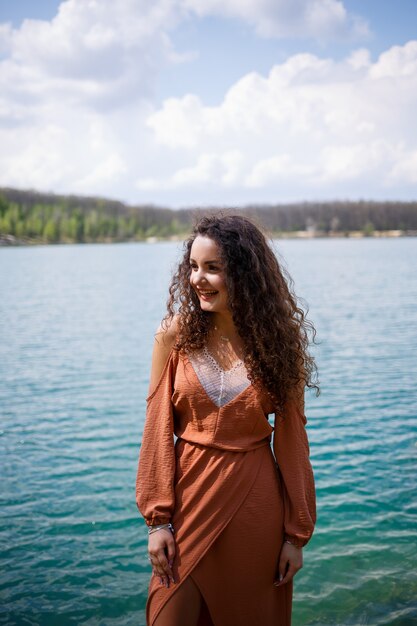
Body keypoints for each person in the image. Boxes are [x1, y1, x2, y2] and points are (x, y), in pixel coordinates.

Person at [136, 214, 319, 626]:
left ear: (244, 273)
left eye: (213, 268)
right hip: (186, 502)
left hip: (255, 508)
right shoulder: (173, 336)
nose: (198, 278)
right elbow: (156, 428)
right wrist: (157, 520)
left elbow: (292, 443)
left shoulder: (277, 345)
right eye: (194, 267)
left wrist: (295, 536)